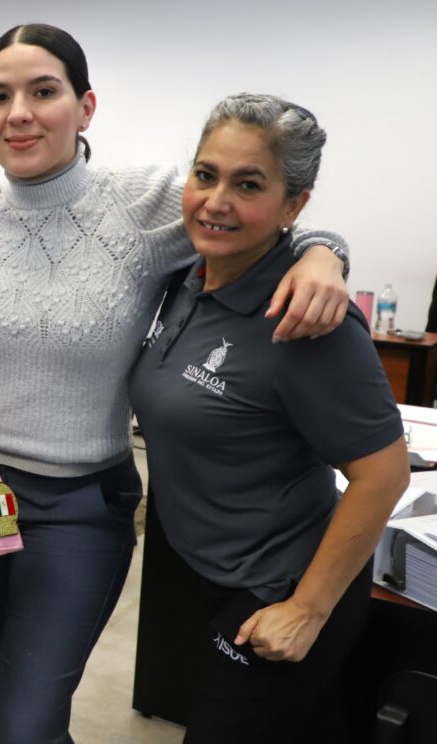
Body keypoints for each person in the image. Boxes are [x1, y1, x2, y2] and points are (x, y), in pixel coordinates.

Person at [0, 23, 354, 743]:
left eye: (44, 91)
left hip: (79, 507)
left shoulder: (143, 203)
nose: (20, 113)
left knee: (26, 722)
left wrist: (325, 254)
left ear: (86, 106)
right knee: (5, 710)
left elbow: (259, 211)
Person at [129, 93, 408, 743]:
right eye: (206, 175)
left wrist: (307, 610)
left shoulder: (308, 319)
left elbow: (384, 475)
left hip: (278, 586)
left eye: (248, 184)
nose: (216, 201)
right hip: (205, 569)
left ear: (294, 205)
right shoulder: (186, 276)